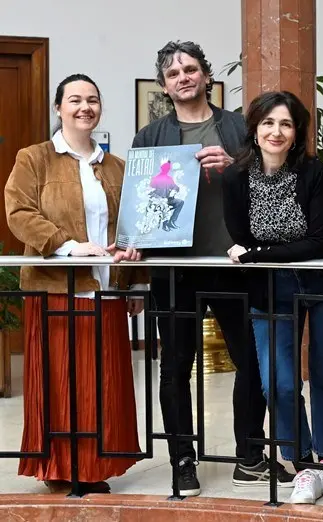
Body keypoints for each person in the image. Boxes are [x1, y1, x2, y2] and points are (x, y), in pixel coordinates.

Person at [132, 40, 278, 496]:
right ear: (164, 84)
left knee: (250, 363)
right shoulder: (150, 137)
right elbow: (140, 204)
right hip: (174, 269)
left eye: (190, 69)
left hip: (234, 263)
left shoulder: (238, 128)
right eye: (173, 73)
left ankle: (249, 456)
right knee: (175, 367)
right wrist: (134, 242)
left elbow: (273, 178)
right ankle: (181, 461)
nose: (183, 78)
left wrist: (235, 164)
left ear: (206, 76)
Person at [5, 74, 146, 494]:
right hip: (54, 289)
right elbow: (19, 213)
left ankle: (94, 465)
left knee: (101, 381)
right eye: (74, 100)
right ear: (58, 107)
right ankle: (58, 467)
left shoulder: (117, 166)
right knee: (58, 379)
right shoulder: (34, 158)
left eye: (92, 100)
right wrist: (68, 246)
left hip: (106, 290)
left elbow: (133, 227)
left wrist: (135, 282)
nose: (84, 107)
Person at [221, 91, 323, 505]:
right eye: (269, 123)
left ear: (297, 134)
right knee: (280, 381)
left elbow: (317, 239)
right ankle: (303, 461)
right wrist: (258, 255)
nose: (277, 131)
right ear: (254, 130)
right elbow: (239, 239)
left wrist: (259, 254)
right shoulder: (235, 177)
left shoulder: (311, 171)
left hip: (319, 283)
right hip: (269, 289)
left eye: (286, 124)